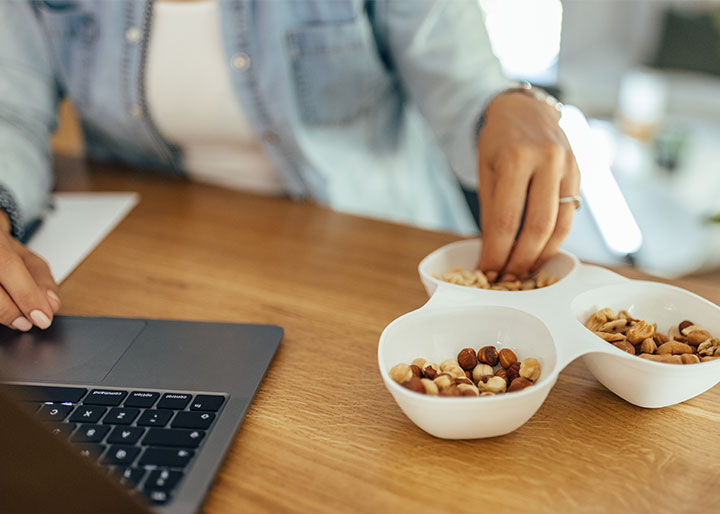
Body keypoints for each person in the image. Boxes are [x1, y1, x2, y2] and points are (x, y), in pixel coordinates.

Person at [0, 0, 579, 331]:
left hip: (370, 273)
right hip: (148, 278)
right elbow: (11, 111)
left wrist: (506, 108)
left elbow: (465, 86)